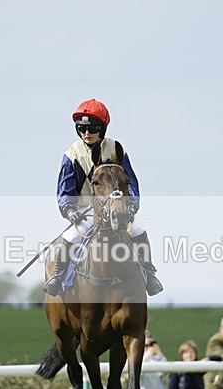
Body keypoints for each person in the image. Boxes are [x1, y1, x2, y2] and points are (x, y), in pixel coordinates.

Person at [42, 99, 163, 297]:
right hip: (86, 210)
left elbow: (130, 181)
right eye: (82, 129)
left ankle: (149, 273)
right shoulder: (72, 154)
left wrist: (132, 205)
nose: (86, 134)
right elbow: (64, 189)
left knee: (139, 230)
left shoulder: (116, 149)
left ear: (103, 128)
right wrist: (70, 211)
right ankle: (57, 275)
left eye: (92, 128)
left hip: (116, 207)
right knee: (71, 235)